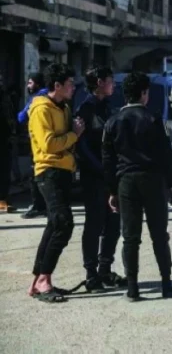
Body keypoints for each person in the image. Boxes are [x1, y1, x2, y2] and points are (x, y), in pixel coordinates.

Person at [102, 72, 172, 302]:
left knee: (130, 237)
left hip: (126, 183)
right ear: (144, 93)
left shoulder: (112, 122)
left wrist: (112, 190)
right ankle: (166, 284)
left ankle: (133, 289)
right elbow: (166, 155)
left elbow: (108, 161)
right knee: (159, 235)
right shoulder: (154, 119)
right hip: (153, 181)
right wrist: (171, 184)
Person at [28, 64, 85, 303]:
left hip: (64, 171)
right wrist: (74, 134)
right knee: (63, 223)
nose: (73, 88)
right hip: (48, 171)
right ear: (57, 85)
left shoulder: (64, 108)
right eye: (70, 84)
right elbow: (49, 144)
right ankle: (44, 279)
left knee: (54, 224)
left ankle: (38, 281)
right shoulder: (41, 109)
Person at [75, 66, 126, 292]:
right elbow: (81, 145)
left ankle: (105, 269)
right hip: (93, 175)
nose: (113, 84)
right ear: (99, 82)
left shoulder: (109, 107)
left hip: (112, 174)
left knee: (113, 222)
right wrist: (100, 168)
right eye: (110, 80)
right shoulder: (85, 109)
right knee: (94, 223)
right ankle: (91, 274)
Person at [18, 73, 48, 218]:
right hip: (49, 143)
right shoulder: (51, 96)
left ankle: (38, 206)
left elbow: (22, 117)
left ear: (37, 83)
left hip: (38, 142)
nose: (28, 86)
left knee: (35, 174)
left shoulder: (37, 98)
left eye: (30, 83)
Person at [0, 74, 16, 213]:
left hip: (5, 139)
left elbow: (9, 116)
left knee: (4, 170)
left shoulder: (5, 96)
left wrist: (13, 132)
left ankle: (2, 199)